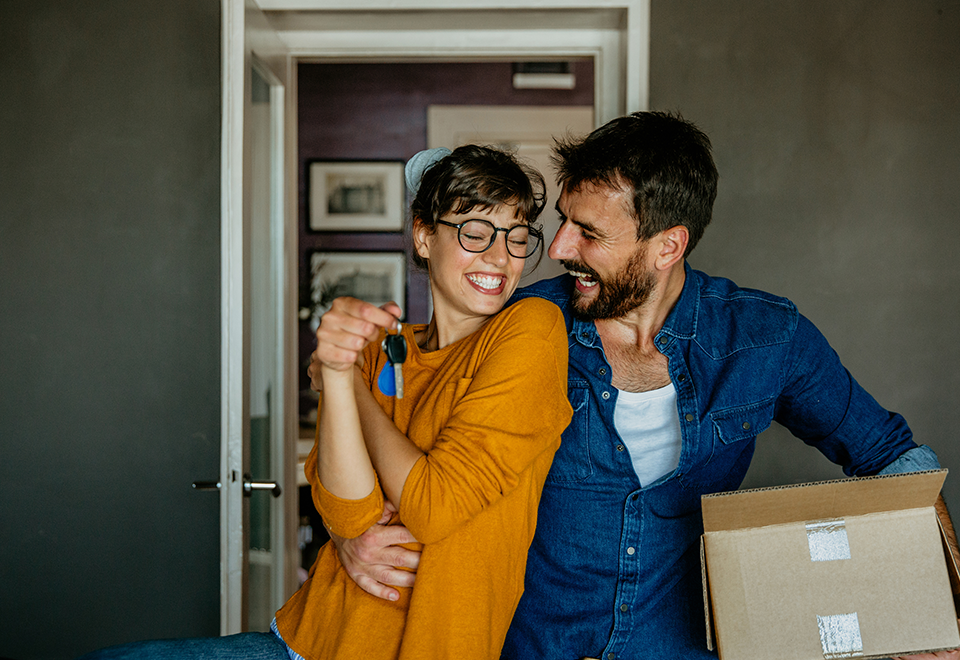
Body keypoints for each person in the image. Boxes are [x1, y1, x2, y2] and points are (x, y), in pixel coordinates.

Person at [313, 112, 958, 660]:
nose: (558, 247)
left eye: (588, 233)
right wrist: (346, 532)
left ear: (666, 246)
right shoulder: (523, 328)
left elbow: (891, 457)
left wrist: (938, 607)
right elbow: (410, 432)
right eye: (562, 221)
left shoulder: (765, 338)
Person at [79, 144, 572, 660]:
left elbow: (434, 507)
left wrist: (350, 385)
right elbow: (347, 511)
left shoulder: (531, 330)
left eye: (517, 238)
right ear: (425, 236)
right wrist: (336, 372)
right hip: (301, 641)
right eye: (475, 231)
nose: (499, 257)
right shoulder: (378, 343)